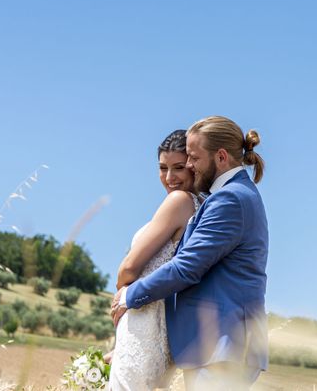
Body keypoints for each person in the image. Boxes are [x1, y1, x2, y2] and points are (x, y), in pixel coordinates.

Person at [112, 116, 269, 391]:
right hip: (213, 346)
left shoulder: (230, 199)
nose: (191, 166)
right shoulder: (233, 195)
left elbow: (187, 268)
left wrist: (128, 296)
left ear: (220, 157)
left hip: (224, 345)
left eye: (193, 159)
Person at [107, 130, 201, 391]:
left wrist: (122, 291)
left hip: (144, 322)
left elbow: (128, 268)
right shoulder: (202, 206)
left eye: (179, 167)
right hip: (160, 328)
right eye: (163, 168)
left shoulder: (179, 201)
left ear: (194, 166)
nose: (170, 178)